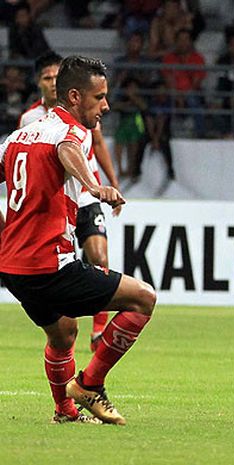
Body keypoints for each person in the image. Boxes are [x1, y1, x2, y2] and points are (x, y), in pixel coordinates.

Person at [0, 56, 157, 425]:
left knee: (64, 333)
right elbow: (67, 152)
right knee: (143, 299)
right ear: (73, 96)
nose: (105, 105)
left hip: (13, 268)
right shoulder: (70, 133)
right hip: (49, 265)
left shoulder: (18, 136)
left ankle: (64, 411)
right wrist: (93, 184)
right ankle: (89, 385)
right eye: (98, 97)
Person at [18, 52, 122, 353]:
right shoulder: (30, 120)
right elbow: (56, 150)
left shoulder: (88, 117)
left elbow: (95, 145)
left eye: (55, 77)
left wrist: (108, 184)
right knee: (64, 283)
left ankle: (99, 329)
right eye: (46, 77)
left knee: (99, 257)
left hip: (86, 198)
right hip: (57, 204)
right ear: (39, 83)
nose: (51, 83)